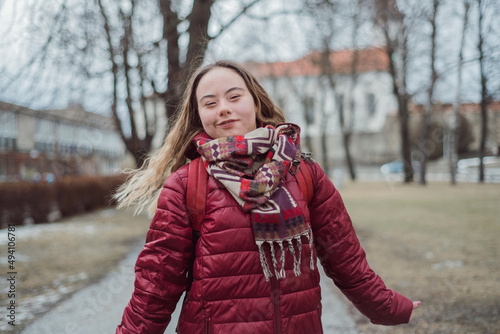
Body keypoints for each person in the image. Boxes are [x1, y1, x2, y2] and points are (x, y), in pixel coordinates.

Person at [115, 60, 421, 334]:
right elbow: (157, 283)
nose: (223, 107)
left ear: (255, 101)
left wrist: (390, 307)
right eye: (210, 103)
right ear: (199, 116)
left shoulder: (303, 172)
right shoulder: (186, 183)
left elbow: (345, 257)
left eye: (234, 96)